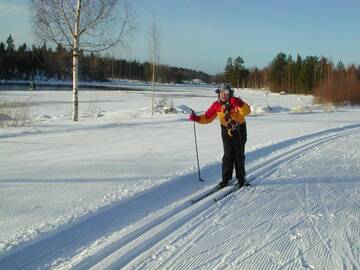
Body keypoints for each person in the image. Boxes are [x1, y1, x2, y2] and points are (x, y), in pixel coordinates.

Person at [189, 83, 251, 189]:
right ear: (219, 93)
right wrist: (197, 119)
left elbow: (247, 111)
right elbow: (207, 117)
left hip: (239, 130)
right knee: (227, 155)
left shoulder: (235, 102)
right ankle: (226, 179)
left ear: (230, 94)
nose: (224, 95)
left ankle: (241, 179)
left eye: (226, 93)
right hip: (225, 130)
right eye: (221, 93)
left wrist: (240, 103)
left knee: (239, 155)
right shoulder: (216, 105)